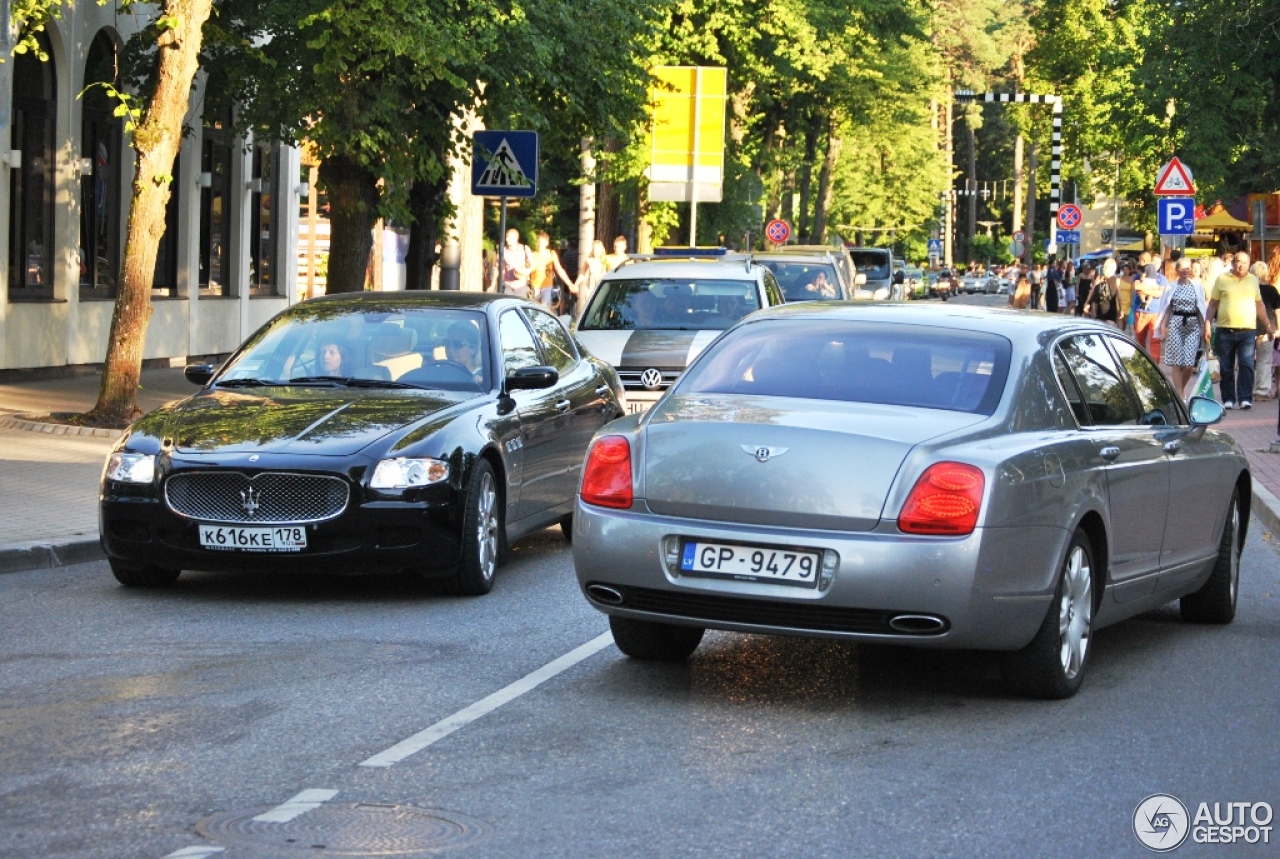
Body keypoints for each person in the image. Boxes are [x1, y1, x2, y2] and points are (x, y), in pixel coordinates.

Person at [1207, 251, 1275, 409]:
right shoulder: (1222, 279)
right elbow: (1213, 304)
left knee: (1246, 364)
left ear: (1249, 264)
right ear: (1232, 263)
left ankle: (1245, 398)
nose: (1241, 265)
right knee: (1226, 367)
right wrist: (1207, 324)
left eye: (1245, 262)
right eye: (1238, 261)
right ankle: (1228, 399)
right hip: (1225, 330)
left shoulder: (1253, 280)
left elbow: (1259, 305)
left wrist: (1268, 326)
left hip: (1247, 330)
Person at [1155, 258, 1209, 398]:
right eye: (1182, 268)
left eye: (1188, 268)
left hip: (1192, 324)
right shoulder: (1171, 287)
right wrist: (1162, 326)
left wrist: (1204, 326)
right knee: (1177, 362)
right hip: (1176, 323)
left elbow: (1201, 307)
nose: (1186, 271)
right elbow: (1166, 308)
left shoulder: (1197, 286)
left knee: (1189, 364)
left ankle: (1182, 388)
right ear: (1177, 270)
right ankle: (1178, 393)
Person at [1252, 261, 1280, 401]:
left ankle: (1247, 390)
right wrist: (1278, 328)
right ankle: (1262, 391)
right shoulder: (1272, 290)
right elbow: (1277, 311)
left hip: (1248, 327)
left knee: (1247, 362)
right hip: (1267, 328)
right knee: (1265, 361)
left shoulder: (1249, 288)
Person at [528, 231, 573, 310]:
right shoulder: (532, 254)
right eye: (538, 242)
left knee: (544, 309)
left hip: (547, 286)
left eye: (541, 242)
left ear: (546, 243)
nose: (539, 244)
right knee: (533, 310)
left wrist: (569, 283)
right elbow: (527, 270)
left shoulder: (551, 254)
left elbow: (559, 269)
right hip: (535, 287)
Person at [569, 239, 607, 322]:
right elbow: (582, 273)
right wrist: (576, 284)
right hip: (591, 288)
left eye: (597, 249)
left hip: (602, 288)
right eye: (594, 249)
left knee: (601, 310)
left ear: (601, 250)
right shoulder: (589, 261)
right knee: (590, 309)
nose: (595, 251)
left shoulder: (605, 261)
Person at [500, 228, 534, 297]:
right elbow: (498, 268)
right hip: (507, 285)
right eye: (506, 237)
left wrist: (526, 272)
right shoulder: (503, 251)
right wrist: (493, 284)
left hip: (521, 285)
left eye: (509, 237)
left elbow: (533, 264)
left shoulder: (524, 249)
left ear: (516, 238)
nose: (506, 239)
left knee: (520, 305)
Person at [1085, 260, 1120, 327]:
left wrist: (1086, 303)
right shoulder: (1116, 280)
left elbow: (1092, 291)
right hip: (1111, 307)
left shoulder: (1099, 278)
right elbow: (1119, 297)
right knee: (1110, 329)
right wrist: (1121, 309)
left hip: (1100, 306)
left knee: (1100, 327)